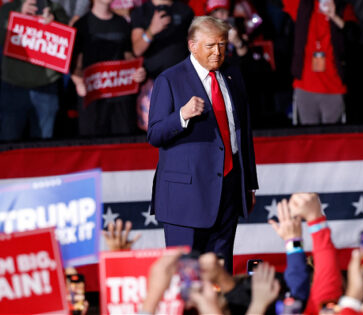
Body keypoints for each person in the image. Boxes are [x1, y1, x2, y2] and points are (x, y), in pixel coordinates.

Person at [147, 16, 258, 273]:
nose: (217, 52)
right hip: (185, 199)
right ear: (192, 45)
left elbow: (243, 134)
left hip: (228, 190)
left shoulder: (233, 75)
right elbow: (154, 134)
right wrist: (181, 116)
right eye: (210, 46)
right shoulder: (169, 80)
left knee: (221, 275)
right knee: (186, 277)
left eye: (221, 44)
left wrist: (249, 184)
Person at [71, 0, 146, 137]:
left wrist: (137, 71)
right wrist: (77, 81)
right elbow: (75, 64)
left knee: (122, 144)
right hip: (93, 96)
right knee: (93, 146)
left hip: (120, 97)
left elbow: (128, 55)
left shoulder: (122, 23)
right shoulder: (82, 25)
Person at [0, 0, 68, 141]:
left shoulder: (55, 10)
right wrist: (18, 15)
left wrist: (54, 24)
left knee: (43, 148)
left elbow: (67, 43)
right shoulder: (7, 9)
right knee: (9, 146)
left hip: (46, 88)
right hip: (13, 87)